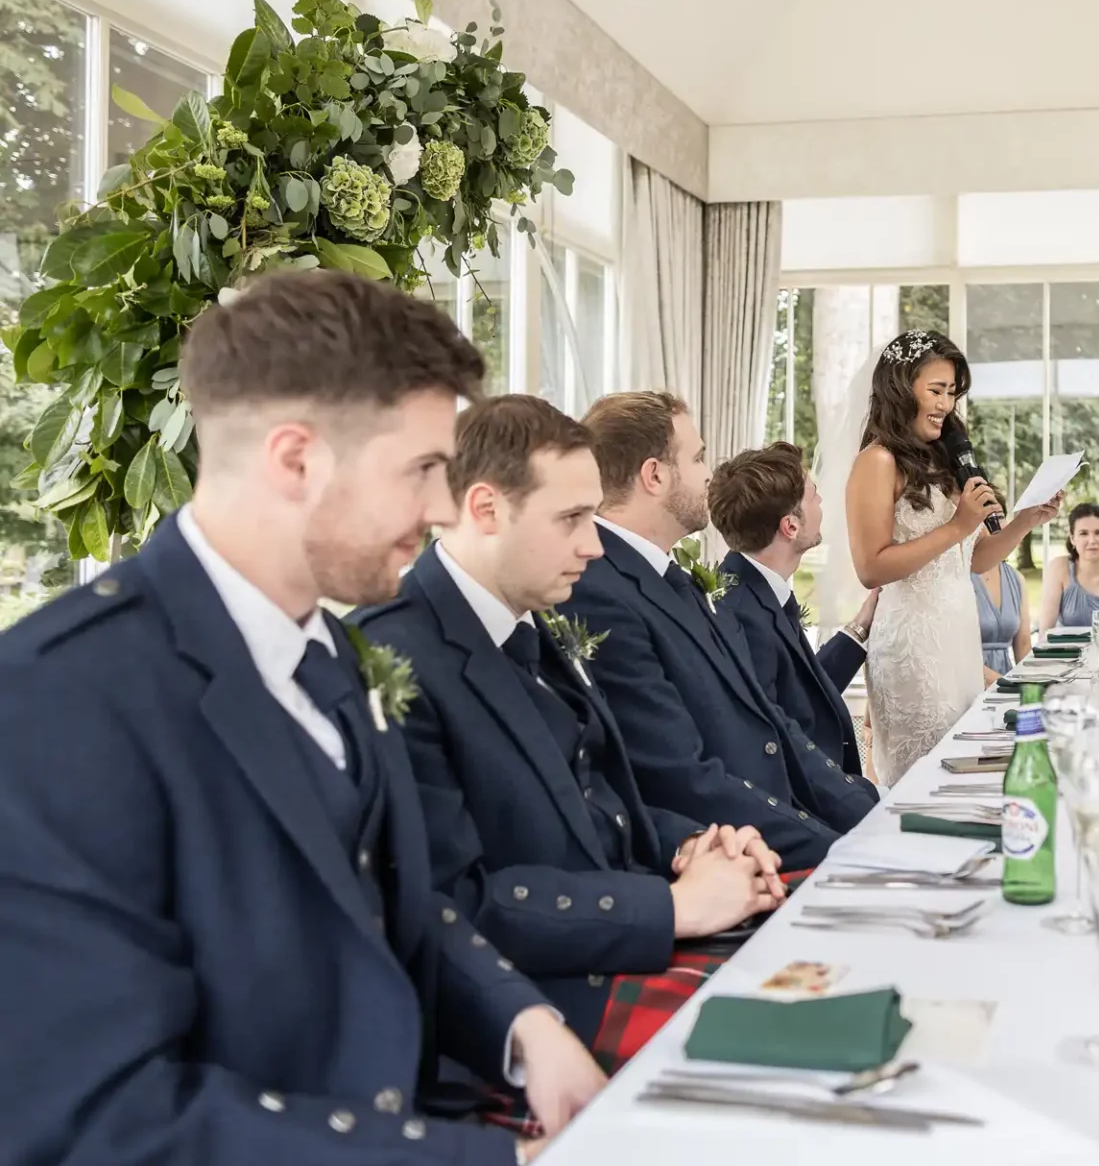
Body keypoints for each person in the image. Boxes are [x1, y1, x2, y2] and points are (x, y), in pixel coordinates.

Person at [0, 271, 604, 1166]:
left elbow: (394, 908)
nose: (444, 510)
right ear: (295, 459)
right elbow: (100, 1117)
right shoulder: (61, 698)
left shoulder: (329, 644)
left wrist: (526, 1027)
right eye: (423, 471)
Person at [353, 395, 785, 1071]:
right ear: (486, 509)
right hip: (537, 1001)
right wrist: (670, 908)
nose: (593, 544)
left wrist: (694, 845)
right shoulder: (395, 657)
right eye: (572, 520)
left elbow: (596, 805)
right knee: (789, 1058)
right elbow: (453, 903)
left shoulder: (529, 618)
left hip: (618, 943)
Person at [561, 393, 878, 870]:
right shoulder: (600, 591)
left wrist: (874, 818)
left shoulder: (678, 582)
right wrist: (837, 850)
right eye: (698, 457)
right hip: (733, 858)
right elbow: (681, 776)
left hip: (779, 831)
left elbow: (772, 727)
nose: (709, 474)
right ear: (654, 475)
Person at [845, 330, 1062, 784]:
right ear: (902, 388)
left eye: (953, 393)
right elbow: (870, 567)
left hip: (958, 642)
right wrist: (958, 526)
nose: (947, 404)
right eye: (937, 390)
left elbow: (975, 559)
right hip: (912, 650)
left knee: (963, 777)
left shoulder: (943, 460)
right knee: (925, 782)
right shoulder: (877, 461)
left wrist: (1024, 520)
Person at [711, 441, 879, 774]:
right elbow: (782, 743)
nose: (821, 504)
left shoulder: (754, 589)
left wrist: (862, 625)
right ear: (791, 526)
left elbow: (801, 693)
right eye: (814, 496)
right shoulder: (739, 614)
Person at [1038, 502, 1099, 631]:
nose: (1092, 540)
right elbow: (1045, 630)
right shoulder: (1059, 567)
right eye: (1083, 533)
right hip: (1068, 649)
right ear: (1072, 539)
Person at [974, 559, 1029, 679]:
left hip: (1005, 680)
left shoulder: (1016, 578)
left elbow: (1024, 645)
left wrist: (1029, 683)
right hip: (972, 681)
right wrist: (1007, 685)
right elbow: (959, 657)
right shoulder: (960, 578)